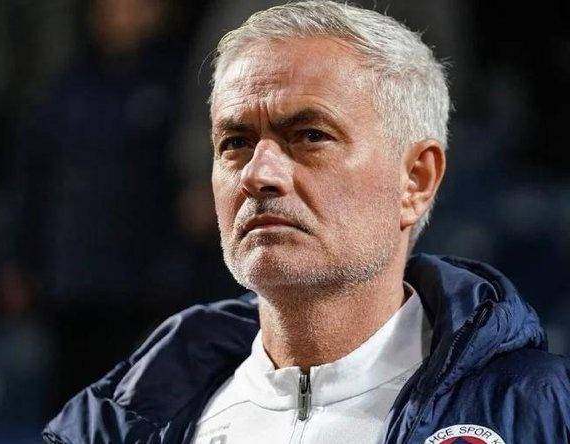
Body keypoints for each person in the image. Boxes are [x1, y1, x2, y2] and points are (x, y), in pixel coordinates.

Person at [43, 1, 570, 443]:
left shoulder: (542, 411)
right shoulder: (112, 423)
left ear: (415, 179)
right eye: (235, 142)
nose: (258, 174)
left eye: (310, 136)